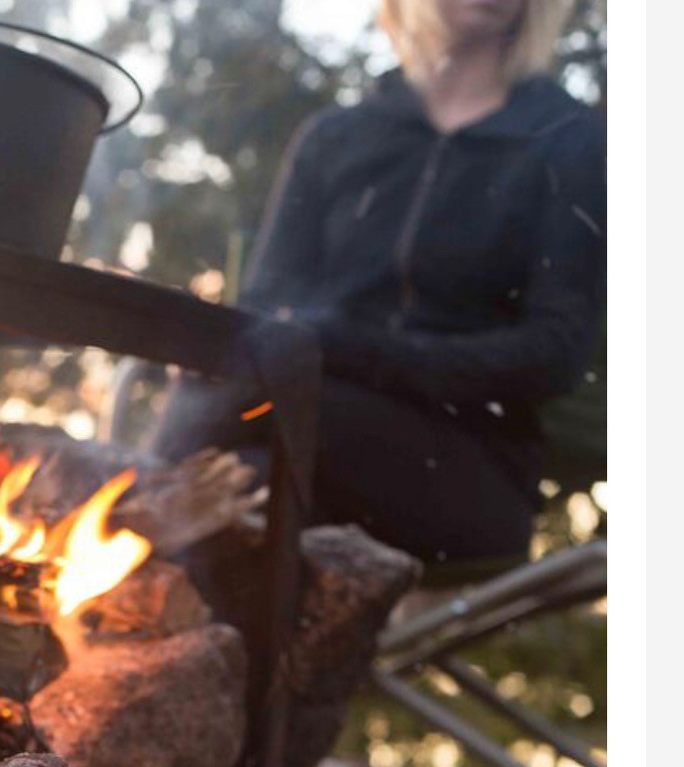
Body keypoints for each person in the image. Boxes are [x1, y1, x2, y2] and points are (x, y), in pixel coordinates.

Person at [154, 0, 606, 566]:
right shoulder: (335, 139)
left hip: (465, 468)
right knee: (242, 490)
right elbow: (268, 309)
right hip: (300, 437)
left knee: (230, 438)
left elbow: (553, 354)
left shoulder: (571, 146)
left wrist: (356, 351)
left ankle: (138, 523)